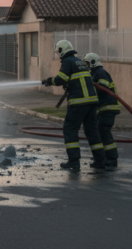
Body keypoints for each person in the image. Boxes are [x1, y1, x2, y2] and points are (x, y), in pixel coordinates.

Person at [42, 40, 107, 171]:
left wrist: (49, 81)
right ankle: (100, 160)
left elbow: (61, 79)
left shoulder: (67, 61)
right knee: (92, 131)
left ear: (62, 51)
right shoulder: (79, 62)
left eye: (58, 52)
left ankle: (74, 161)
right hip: (92, 102)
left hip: (79, 102)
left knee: (70, 129)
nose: (58, 55)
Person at [84, 53, 120, 170]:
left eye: (87, 63)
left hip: (109, 108)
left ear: (93, 62)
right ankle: (104, 157)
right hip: (103, 108)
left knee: (104, 131)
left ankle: (112, 158)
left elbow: (102, 87)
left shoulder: (101, 72)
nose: (86, 66)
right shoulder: (94, 73)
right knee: (100, 132)